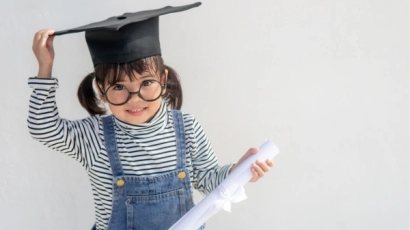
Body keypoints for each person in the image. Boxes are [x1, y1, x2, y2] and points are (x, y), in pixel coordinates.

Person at [28, 3, 273, 230]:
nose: (135, 98)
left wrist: (237, 174)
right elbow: (43, 128)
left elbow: (208, 181)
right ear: (101, 91)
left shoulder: (187, 127)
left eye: (146, 83)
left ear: (163, 80)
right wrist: (45, 67)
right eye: (118, 87)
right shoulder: (94, 136)